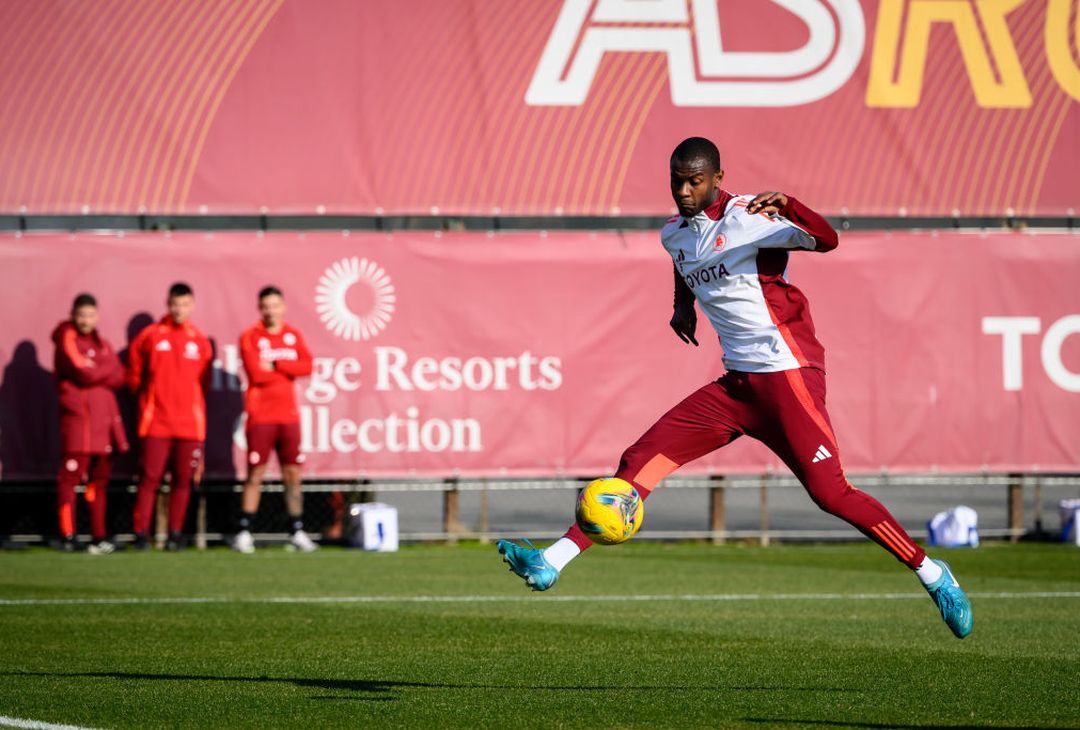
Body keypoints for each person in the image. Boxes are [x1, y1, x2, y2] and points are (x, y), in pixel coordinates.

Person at [497, 137, 973, 639]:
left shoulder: (751, 217)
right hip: (737, 389)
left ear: (717, 179)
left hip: (788, 376)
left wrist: (790, 204)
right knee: (639, 460)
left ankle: (933, 573)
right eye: (676, 179)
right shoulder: (672, 236)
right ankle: (550, 561)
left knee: (831, 495)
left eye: (694, 180)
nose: (683, 189)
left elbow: (828, 240)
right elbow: (686, 263)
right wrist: (682, 304)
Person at [127, 282, 212, 551]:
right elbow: (134, 378)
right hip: (156, 423)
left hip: (189, 426)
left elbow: (204, 383)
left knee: (183, 481)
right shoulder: (149, 336)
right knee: (149, 479)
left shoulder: (199, 340)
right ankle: (141, 534)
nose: (180, 309)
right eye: (175, 304)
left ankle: (175, 534)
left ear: (192, 305)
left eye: (185, 304)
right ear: (168, 303)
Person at [233, 286, 317, 553]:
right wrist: (283, 369)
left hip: (288, 417)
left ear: (283, 306)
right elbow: (256, 373)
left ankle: (297, 531)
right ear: (260, 308)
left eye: (275, 305)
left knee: (292, 474)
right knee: (255, 474)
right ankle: (245, 531)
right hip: (261, 417)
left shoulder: (293, 335)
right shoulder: (251, 336)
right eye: (266, 306)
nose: (271, 311)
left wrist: (279, 366)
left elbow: (307, 366)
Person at [52, 293, 128, 553]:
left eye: (90, 315)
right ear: (73, 314)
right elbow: (83, 373)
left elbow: (120, 377)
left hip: (102, 428)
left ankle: (98, 536)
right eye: (81, 315)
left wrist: (100, 366)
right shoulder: (67, 337)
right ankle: (68, 535)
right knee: (69, 481)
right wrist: (104, 368)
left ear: (97, 316)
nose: (86, 320)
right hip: (78, 427)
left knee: (98, 484)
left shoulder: (103, 344)